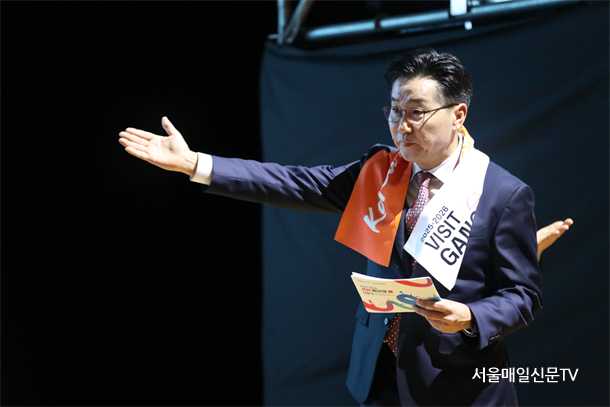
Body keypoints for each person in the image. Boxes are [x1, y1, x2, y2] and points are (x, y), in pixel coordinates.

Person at [119, 49, 571, 406]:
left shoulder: (502, 192)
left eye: (416, 112)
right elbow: (294, 183)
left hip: (458, 382)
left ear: (458, 114)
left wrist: (471, 317)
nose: (402, 126)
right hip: (378, 370)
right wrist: (195, 164)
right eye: (395, 111)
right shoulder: (380, 172)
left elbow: (523, 296)